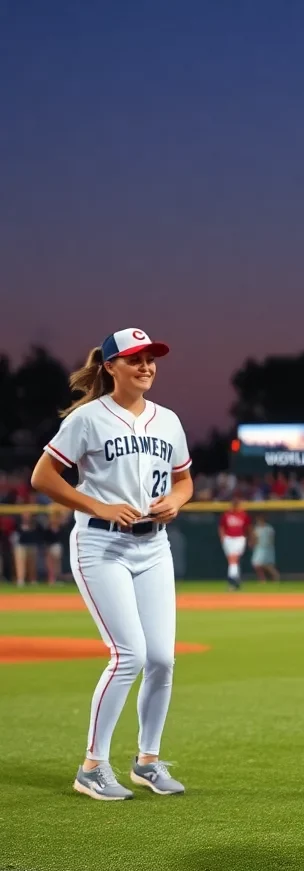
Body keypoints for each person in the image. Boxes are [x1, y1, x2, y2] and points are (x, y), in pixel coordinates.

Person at [30, 328, 192, 800]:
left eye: (151, 359)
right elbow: (43, 476)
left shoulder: (169, 421)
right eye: (135, 359)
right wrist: (97, 506)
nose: (146, 366)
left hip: (153, 545)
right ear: (110, 366)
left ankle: (148, 761)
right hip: (102, 546)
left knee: (162, 659)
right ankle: (92, 767)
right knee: (129, 655)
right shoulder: (88, 419)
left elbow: (185, 481)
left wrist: (176, 502)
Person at [218, 496, 250, 590]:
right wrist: (222, 537)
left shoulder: (243, 515)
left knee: (233, 560)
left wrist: (248, 538)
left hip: (239, 538)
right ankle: (236, 582)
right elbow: (221, 527)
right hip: (228, 538)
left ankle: (232, 581)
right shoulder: (226, 515)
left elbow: (248, 527)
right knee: (232, 561)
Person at [13, 507, 40, 586]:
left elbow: (39, 534)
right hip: (20, 546)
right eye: (25, 515)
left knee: (32, 564)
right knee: (20, 564)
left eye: (28, 515)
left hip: (32, 545)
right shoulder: (18, 524)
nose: (26, 517)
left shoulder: (35, 524)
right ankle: (20, 580)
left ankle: (32, 580)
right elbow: (15, 535)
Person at [250, 513, 279, 582]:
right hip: (259, 548)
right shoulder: (256, 529)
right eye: (257, 520)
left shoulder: (269, 528)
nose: (258, 521)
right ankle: (262, 579)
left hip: (267, 548)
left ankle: (276, 576)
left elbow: (272, 539)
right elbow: (254, 538)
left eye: (259, 520)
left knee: (267, 565)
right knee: (256, 565)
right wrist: (252, 544)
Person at [42, 506, 68, 584]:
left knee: (57, 565)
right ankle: (51, 579)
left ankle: (57, 579)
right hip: (49, 547)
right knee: (50, 565)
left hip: (57, 547)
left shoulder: (61, 527)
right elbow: (46, 539)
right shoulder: (48, 527)